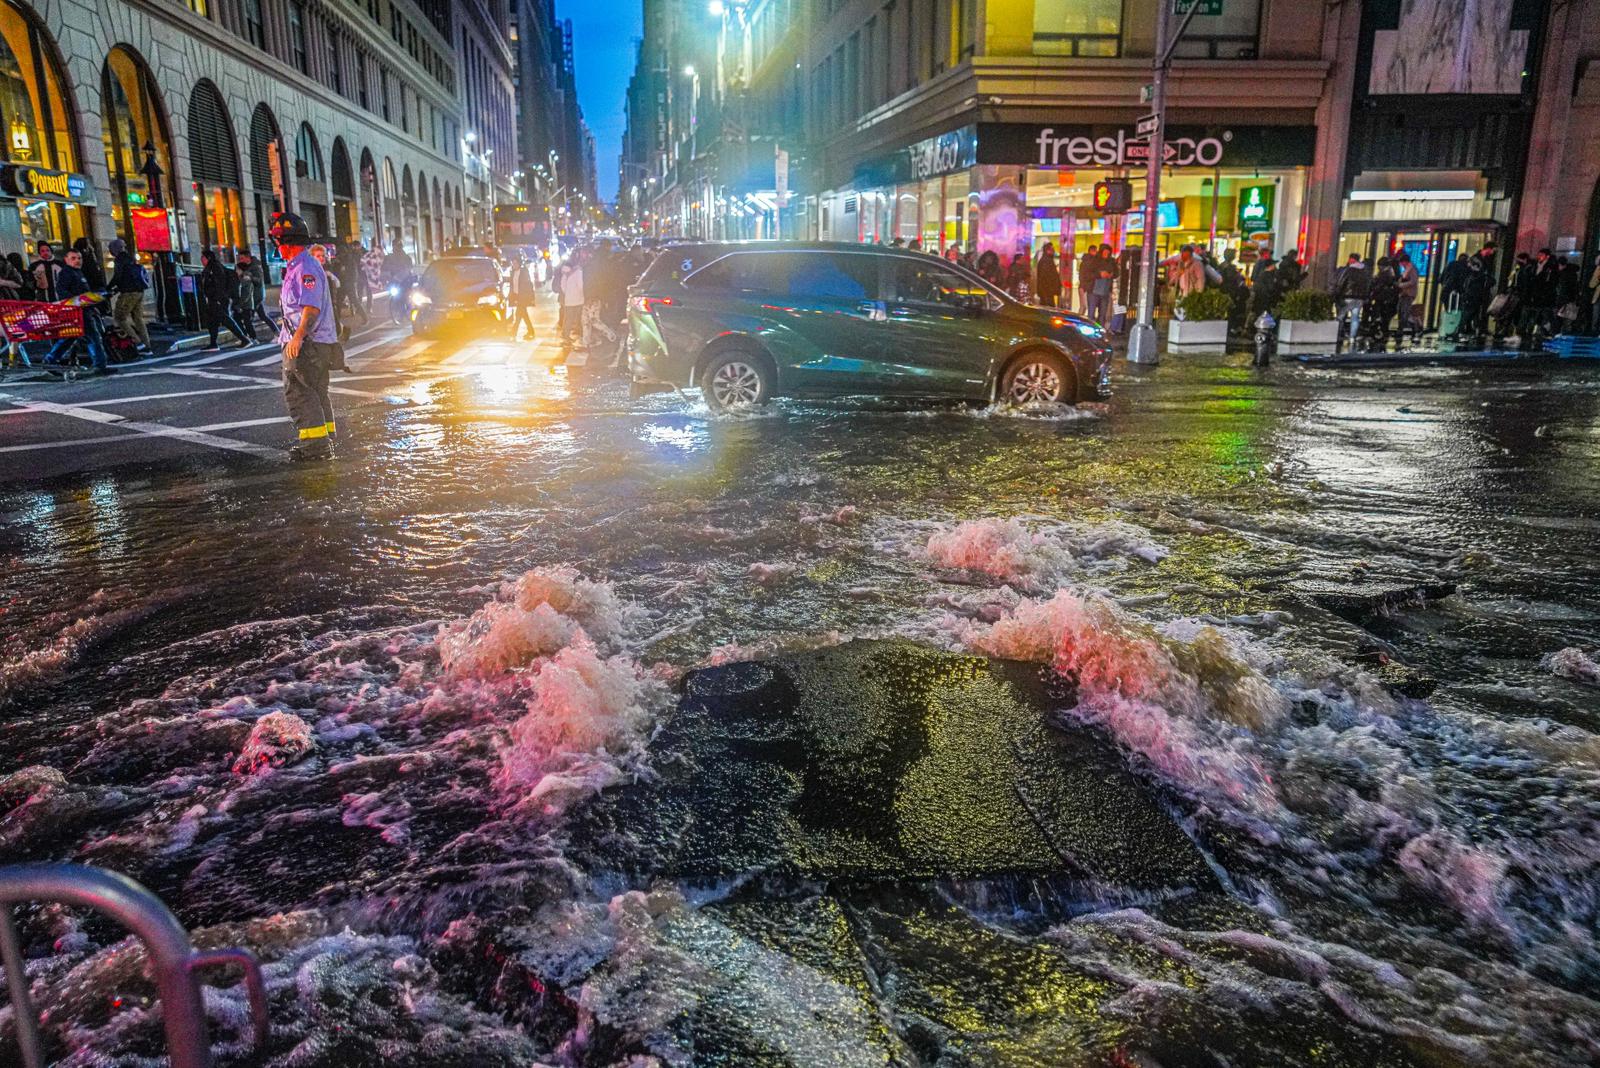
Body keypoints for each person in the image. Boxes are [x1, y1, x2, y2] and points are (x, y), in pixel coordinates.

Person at [270, 212, 339, 461]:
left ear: (287, 243)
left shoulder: (305, 267)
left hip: (308, 344)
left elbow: (310, 309)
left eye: (277, 242)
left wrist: (297, 338)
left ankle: (315, 447)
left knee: (300, 392)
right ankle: (326, 440)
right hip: (316, 343)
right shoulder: (301, 266)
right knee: (317, 392)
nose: (276, 247)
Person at [46, 249, 112, 375]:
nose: (77, 261)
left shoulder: (77, 272)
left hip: (83, 310)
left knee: (70, 337)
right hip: (77, 311)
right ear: (66, 259)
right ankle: (99, 365)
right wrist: (77, 301)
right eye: (73, 258)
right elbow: (61, 291)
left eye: (79, 258)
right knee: (93, 337)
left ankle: (50, 359)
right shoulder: (67, 273)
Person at [198, 248, 250, 349]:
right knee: (212, 321)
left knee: (226, 320)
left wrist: (218, 298)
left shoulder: (215, 267)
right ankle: (213, 343)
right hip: (214, 299)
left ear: (208, 258)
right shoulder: (210, 268)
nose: (201, 260)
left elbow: (220, 284)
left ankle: (244, 339)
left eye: (203, 258)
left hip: (219, 299)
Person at [107, 238, 152, 354]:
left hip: (128, 293)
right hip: (139, 291)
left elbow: (118, 277)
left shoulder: (120, 260)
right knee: (138, 318)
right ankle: (147, 345)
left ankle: (138, 342)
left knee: (120, 318)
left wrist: (108, 288)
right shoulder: (130, 258)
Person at [1332, 253, 1371, 347]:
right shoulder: (1365, 271)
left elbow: (1342, 282)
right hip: (1360, 298)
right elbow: (1368, 285)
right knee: (1355, 317)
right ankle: (1352, 337)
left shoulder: (1348, 270)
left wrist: (1337, 293)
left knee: (1341, 316)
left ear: (1351, 260)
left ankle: (1337, 335)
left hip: (1347, 296)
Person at [234, 248, 274, 337]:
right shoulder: (248, 266)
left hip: (256, 296)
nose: (240, 261)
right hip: (253, 296)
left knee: (249, 318)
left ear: (248, 258)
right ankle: (275, 333)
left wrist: (249, 276)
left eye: (242, 258)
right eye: (239, 259)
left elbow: (259, 281)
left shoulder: (255, 267)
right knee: (261, 316)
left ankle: (251, 337)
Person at [1360, 257, 1399, 349]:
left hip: (1382, 299)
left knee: (1379, 317)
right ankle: (1381, 335)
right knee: (1384, 319)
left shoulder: (1384, 275)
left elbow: (1378, 287)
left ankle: (1378, 335)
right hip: (1388, 300)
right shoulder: (1392, 273)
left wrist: (1372, 295)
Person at [507, 252, 537, 341]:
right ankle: (531, 331)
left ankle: (513, 333)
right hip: (516, 296)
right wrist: (511, 296)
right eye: (513, 263)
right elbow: (512, 285)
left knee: (518, 315)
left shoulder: (524, 272)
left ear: (519, 263)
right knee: (523, 315)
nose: (514, 265)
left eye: (516, 263)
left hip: (523, 297)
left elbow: (529, 285)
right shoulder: (512, 272)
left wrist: (531, 297)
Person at [1218, 248, 1249, 334]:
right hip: (1231, 292)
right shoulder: (1230, 268)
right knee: (1232, 311)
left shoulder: (1221, 266)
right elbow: (1234, 280)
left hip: (1224, 291)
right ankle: (1231, 328)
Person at [1087, 245, 1115, 325]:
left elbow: (1116, 272)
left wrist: (1111, 275)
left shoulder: (1111, 261)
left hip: (1105, 290)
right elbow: (1088, 274)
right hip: (1094, 290)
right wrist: (1100, 274)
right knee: (1091, 313)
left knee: (1102, 314)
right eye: (1105, 252)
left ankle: (1100, 329)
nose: (1106, 254)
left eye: (1108, 253)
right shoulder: (1094, 260)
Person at [1394, 252, 1419, 338]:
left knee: (1405, 312)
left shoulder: (1412, 269)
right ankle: (1412, 328)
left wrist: (1401, 285)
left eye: (1401, 262)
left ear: (1405, 261)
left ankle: (1403, 329)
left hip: (1408, 293)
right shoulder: (1406, 269)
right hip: (1403, 293)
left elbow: (1413, 281)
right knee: (1401, 311)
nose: (1400, 264)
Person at [1034, 243, 1061, 308]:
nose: (1053, 251)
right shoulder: (1046, 261)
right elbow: (1046, 278)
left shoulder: (1047, 260)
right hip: (1047, 292)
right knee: (1049, 310)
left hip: (1047, 292)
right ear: (1047, 250)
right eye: (1052, 249)